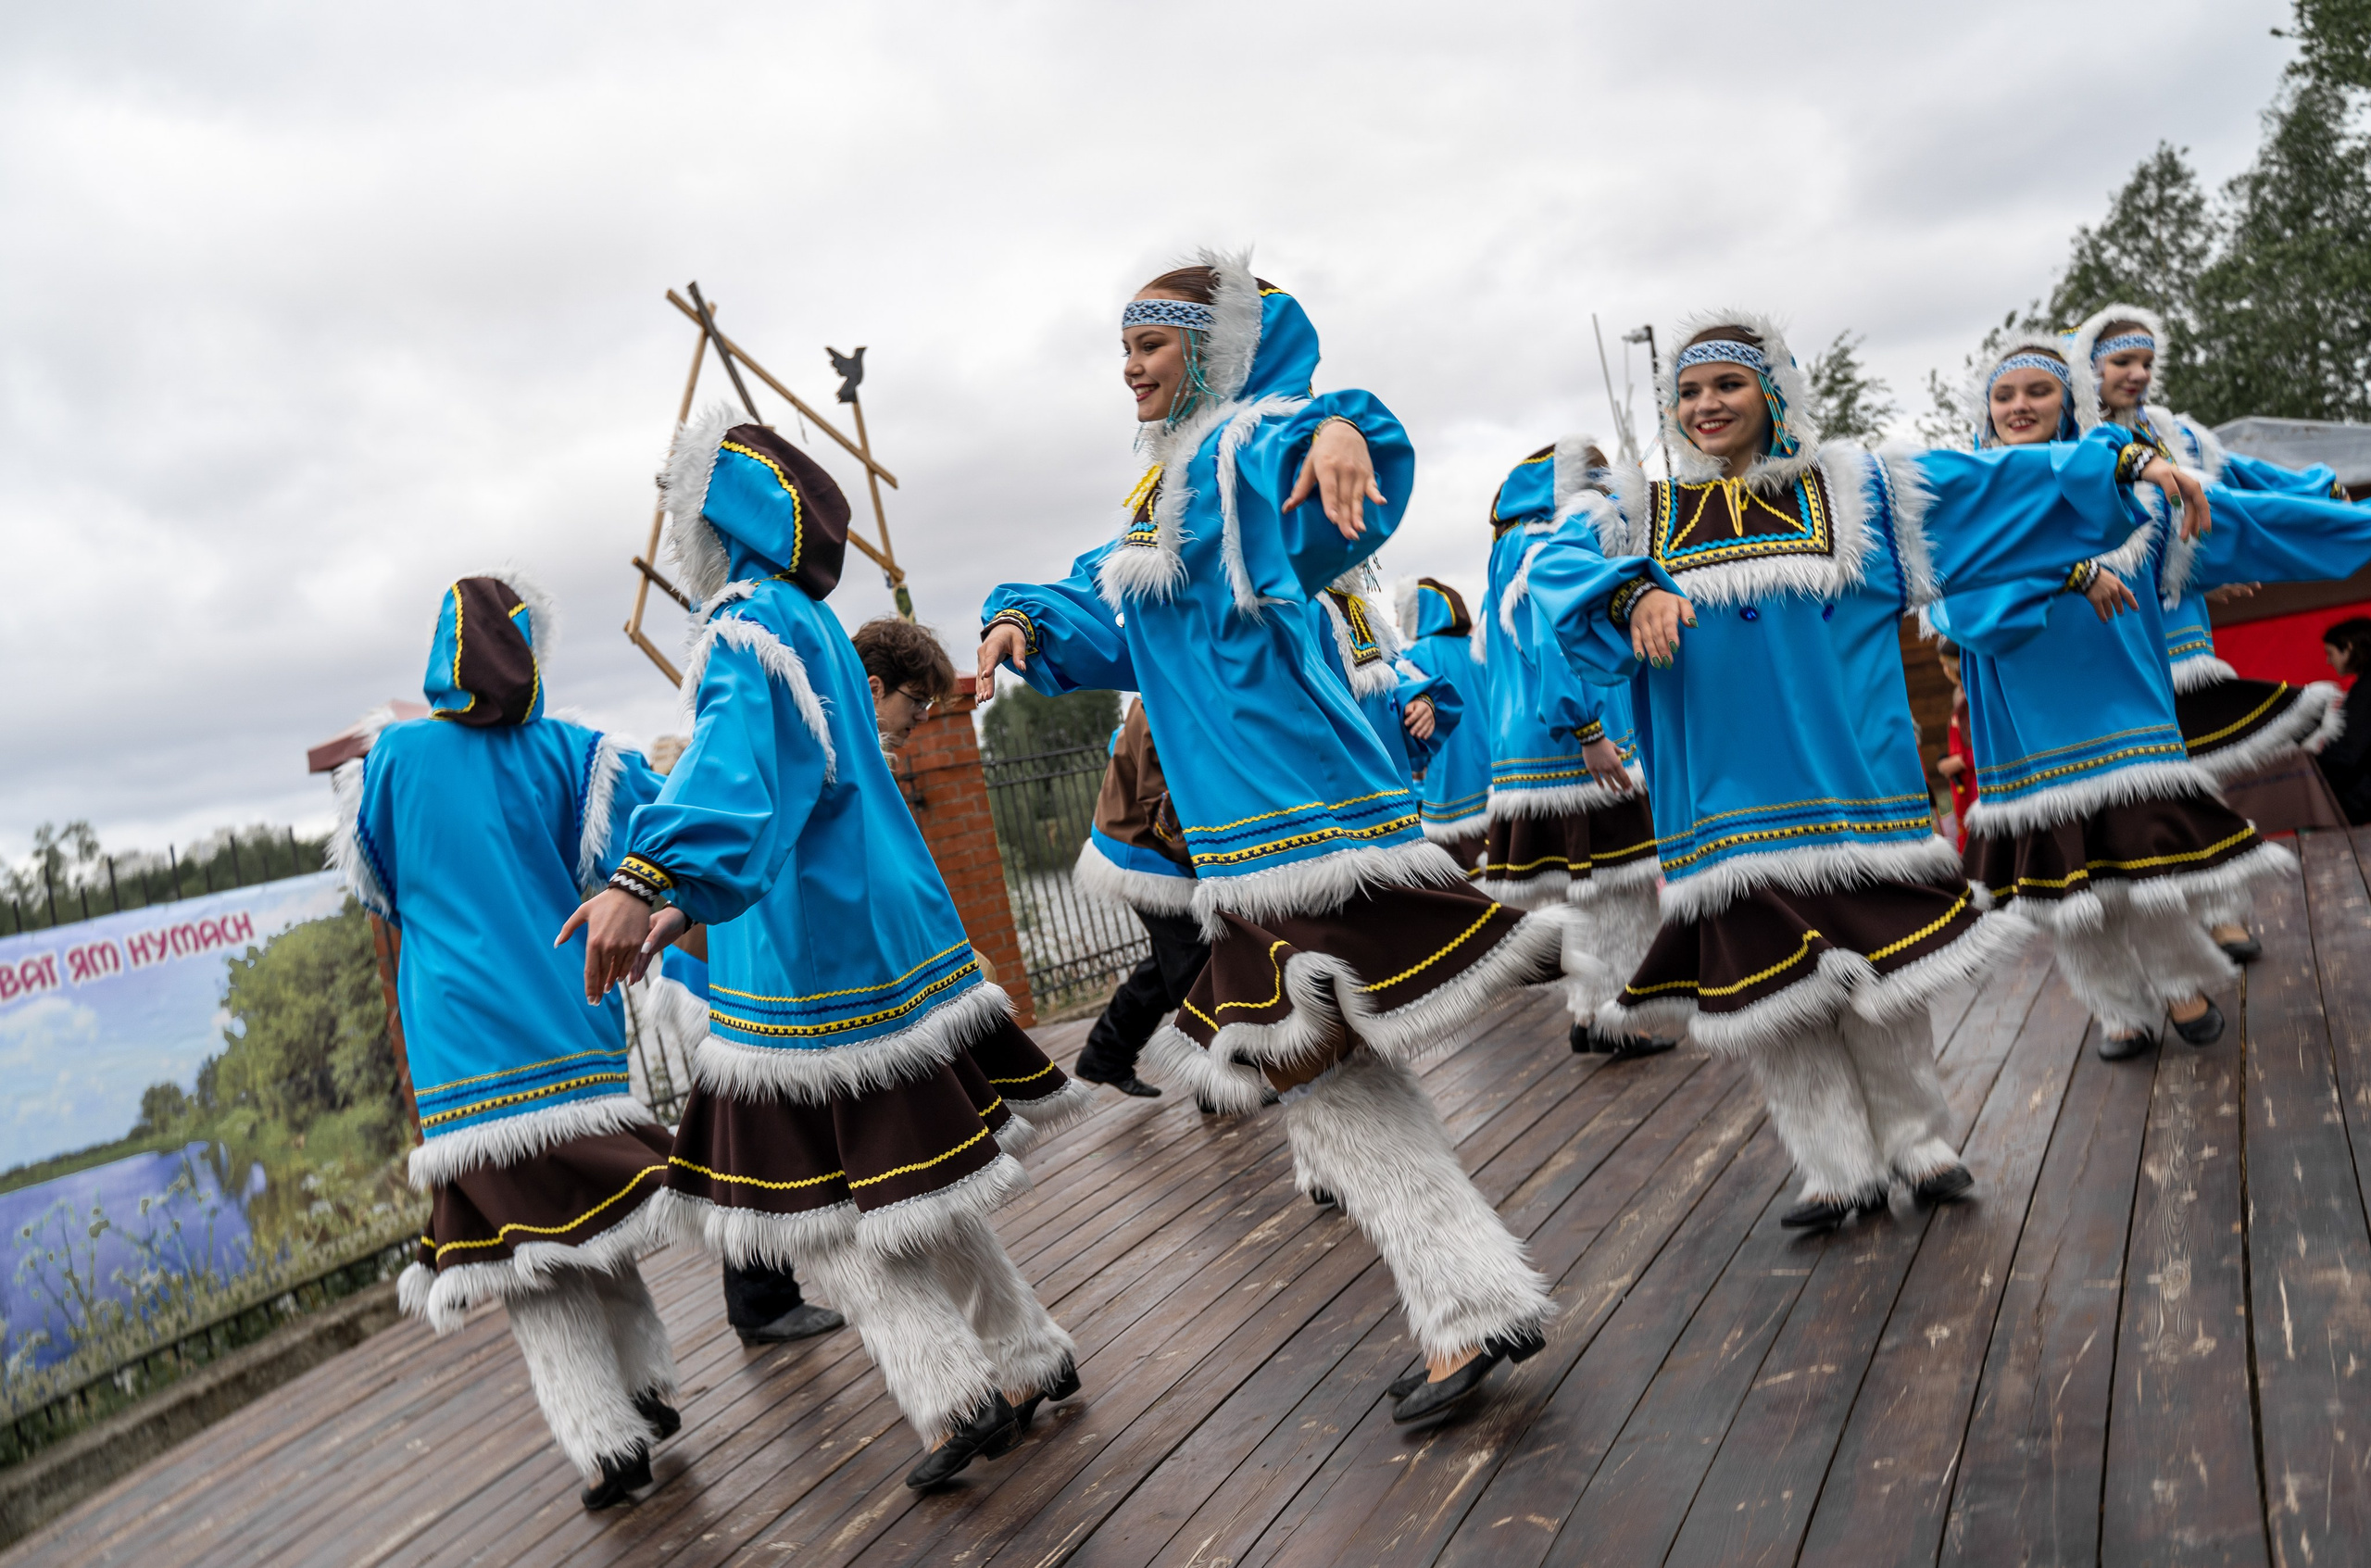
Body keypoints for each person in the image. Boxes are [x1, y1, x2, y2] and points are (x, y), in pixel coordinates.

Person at [977, 252, 1561, 1424]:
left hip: (1294, 822)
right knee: (1337, 1080)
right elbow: (1109, 613)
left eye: (1148, 347)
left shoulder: (1239, 444)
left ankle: (1470, 1308)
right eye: (1124, 351)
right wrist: (1019, 620)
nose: (1129, 370)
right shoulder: (1165, 487)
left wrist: (1335, 438)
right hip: (1257, 835)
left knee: (1325, 1087)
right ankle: (1474, 1299)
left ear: (1212, 353)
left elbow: (1303, 443)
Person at [1524, 313, 2212, 1228]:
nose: (1705, 405)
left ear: (1771, 391)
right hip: (1719, 809)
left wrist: (2120, 464)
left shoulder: (1859, 495)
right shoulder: (1632, 520)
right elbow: (1549, 573)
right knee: (1774, 1003)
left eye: (1725, 384)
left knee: (1880, 982)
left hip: (1853, 792)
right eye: (1687, 392)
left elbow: (1989, 484)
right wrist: (1634, 586)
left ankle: (1919, 1144)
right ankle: (1833, 1168)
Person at [566, 417, 1092, 1490]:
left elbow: (736, 777)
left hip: (805, 970)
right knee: (914, 1183)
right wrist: (682, 907)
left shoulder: (746, 628)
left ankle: (953, 1393)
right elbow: (797, 791)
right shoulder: (808, 617)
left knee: (806, 1220)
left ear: (711, 524)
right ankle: (1028, 1353)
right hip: (873, 930)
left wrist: (641, 878)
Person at [334, 571, 681, 1510]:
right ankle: (649, 1385)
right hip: (567, 1012)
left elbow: (375, 885)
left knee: (526, 1256)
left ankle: (606, 1442)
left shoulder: (392, 758)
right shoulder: (574, 752)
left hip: (460, 1045)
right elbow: (635, 859)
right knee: (593, 1218)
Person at [1931, 332, 2286, 1062]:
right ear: (1986, 406)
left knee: (2143, 856)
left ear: (2072, 402)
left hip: (2121, 700)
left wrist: (2209, 569)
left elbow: (2185, 551)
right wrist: (2063, 578)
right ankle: (2116, 1006)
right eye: (2005, 394)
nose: (2019, 406)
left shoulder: (2120, 481)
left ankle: (2182, 980)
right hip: (2025, 720)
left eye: (2039, 391)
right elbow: (1955, 609)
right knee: (2063, 882)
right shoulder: (1960, 494)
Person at [2071, 304, 2365, 959]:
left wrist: (2319, 492)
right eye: (2122, 361)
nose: (2138, 374)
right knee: (2135, 792)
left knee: (2196, 775)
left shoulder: (2182, 437)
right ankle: (2160, 935)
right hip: (2110, 638)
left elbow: (2245, 489)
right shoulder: (2071, 444)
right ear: (2088, 367)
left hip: (2177, 632)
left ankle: (2224, 912)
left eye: (2147, 362)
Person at [639, 741, 844, 1350]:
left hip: (709, 983)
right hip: (715, 990)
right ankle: (762, 1299)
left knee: (745, 1145)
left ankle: (763, 1297)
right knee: (749, 1147)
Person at [1481, 435, 1670, 1060]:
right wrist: (1589, 729)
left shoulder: (1505, 551)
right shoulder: (1549, 545)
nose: (1606, 487)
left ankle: (1589, 1010)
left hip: (1526, 749)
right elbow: (1556, 643)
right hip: (1579, 742)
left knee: (1585, 892)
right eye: (1595, 476)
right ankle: (1622, 1016)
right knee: (1624, 890)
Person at [1071, 699, 1201, 1099]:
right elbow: (1163, 805)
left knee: (1173, 965)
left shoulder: (1176, 687)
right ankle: (1215, 1085)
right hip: (1147, 855)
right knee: (1196, 966)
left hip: (1153, 851)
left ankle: (1105, 1054)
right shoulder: (1162, 696)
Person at [1306, 564, 1452, 789]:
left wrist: (1418, 700)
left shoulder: (1360, 608)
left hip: (1389, 783)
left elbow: (1387, 686)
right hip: (1342, 791)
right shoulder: (1301, 605)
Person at [1394, 576, 1494, 873]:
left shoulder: (1416, 655)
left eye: (1401, 610)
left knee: (1470, 879)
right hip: (1498, 772)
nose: (1398, 620)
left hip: (1452, 780)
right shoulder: (1476, 646)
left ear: (1417, 612)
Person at [2318, 619, 2371, 822]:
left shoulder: (2366, 690)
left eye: (2330, 653)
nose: (2328, 661)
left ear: (2348, 647)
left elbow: (2348, 750)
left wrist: (2316, 771)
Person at [1933, 640, 1976, 850]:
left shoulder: (1973, 696)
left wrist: (1955, 762)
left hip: (1976, 787)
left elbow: (1980, 747)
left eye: (1947, 663)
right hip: (1963, 786)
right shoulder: (1961, 695)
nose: (1945, 669)